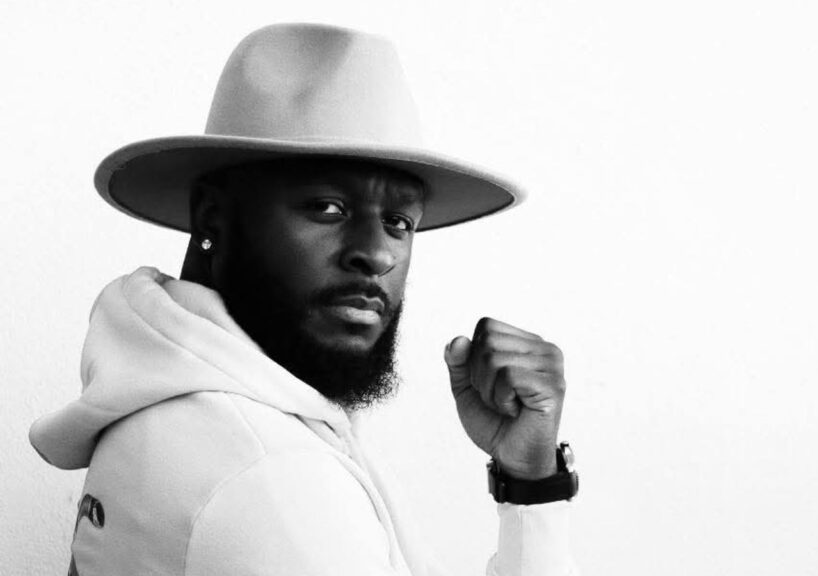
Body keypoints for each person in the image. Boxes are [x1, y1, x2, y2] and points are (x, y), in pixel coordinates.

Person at [29, 23, 579, 576]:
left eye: (397, 221)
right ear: (213, 218)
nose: (377, 255)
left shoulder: (158, 392)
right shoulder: (274, 479)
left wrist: (530, 480)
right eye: (328, 208)